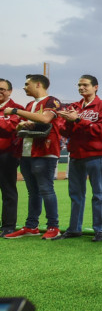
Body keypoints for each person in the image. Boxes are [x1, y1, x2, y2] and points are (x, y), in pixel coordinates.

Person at [54, 75, 102, 242]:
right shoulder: (74, 106)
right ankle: (74, 228)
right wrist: (66, 121)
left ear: (96, 87)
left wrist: (78, 120)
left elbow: (101, 131)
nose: (81, 88)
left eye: (85, 85)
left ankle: (100, 230)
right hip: (76, 155)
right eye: (79, 85)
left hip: (95, 155)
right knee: (75, 194)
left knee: (99, 194)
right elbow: (65, 131)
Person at [4, 74, 63, 239]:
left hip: (44, 151)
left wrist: (16, 111)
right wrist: (22, 124)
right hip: (27, 151)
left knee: (46, 189)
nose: (23, 87)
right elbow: (20, 126)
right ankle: (31, 226)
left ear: (38, 84)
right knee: (33, 192)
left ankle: (53, 226)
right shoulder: (30, 104)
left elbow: (45, 118)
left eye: (26, 84)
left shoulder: (52, 101)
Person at [0, 79, 22, 236]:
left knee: (8, 190)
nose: (0, 92)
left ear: (10, 91)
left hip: (7, 154)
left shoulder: (17, 109)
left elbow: (10, 127)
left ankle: (8, 225)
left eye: (2, 89)